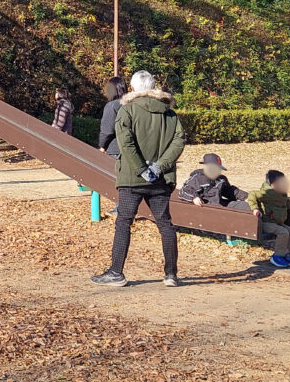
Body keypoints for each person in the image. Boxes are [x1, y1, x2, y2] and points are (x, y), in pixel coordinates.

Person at [91, 70, 184, 288]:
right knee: (165, 224)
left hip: (132, 179)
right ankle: (171, 274)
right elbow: (179, 141)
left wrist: (141, 169)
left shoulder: (127, 111)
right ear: (153, 87)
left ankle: (116, 272)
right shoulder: (170, 114)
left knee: (124, 222)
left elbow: (126, 143)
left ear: (133, 88)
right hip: (160, 180)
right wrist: (160, 166)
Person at [248, 170, 290, 267]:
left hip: (277, 221)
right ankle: (277, 256)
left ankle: (284, 254)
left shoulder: (281, 193)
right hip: (266, 222)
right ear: (272, 184)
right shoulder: (266, 193)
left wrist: (289, 206)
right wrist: (255, 208)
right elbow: (252, 195)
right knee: (283, 232)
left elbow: (285, 200)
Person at [178, 153, 248, 209]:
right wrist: (194, 197)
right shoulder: (198, 178)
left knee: (243, 206)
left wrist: (246, 197)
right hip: (207, 208)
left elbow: (230, 191)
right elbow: (184, 191)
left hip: (219, 205)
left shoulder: (221, 179)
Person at [97, 76, 127, 159]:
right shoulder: (130, 104)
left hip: (114, 150)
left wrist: (102, 146)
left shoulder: (112, 105)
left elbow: (107, 130)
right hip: (129, 149)